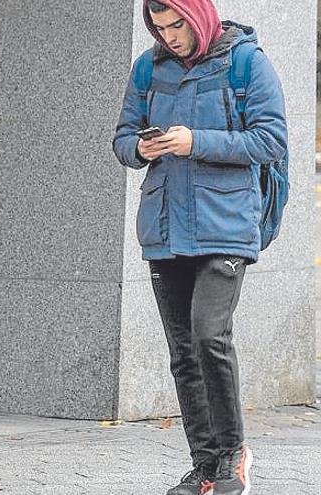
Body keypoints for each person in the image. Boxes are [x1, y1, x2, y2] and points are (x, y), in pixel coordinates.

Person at [112, 1, 287, 494]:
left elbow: (269, 141)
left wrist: (196, 142)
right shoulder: (148, 67)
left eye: (177, 25)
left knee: (210, 336)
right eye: (161, 28)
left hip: (226, 224)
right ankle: (206, 465)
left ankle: (233, 456)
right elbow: (122, 138)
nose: (170, 36)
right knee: (184, 352)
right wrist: (140, 148)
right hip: (166, 226)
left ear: (199, 17)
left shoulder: (247, 62)